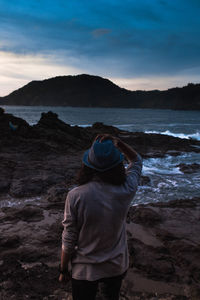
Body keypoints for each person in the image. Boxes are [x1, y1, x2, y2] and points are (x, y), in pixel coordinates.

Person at [59, 134, 142, 300]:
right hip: (116, 266)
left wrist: (63, 269)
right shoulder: (126, 189)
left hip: (84, 269)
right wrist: (119, 144)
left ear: (87, 165)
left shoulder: (76, 195)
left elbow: (69, 237)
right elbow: (137, 161)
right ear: (118, 164)